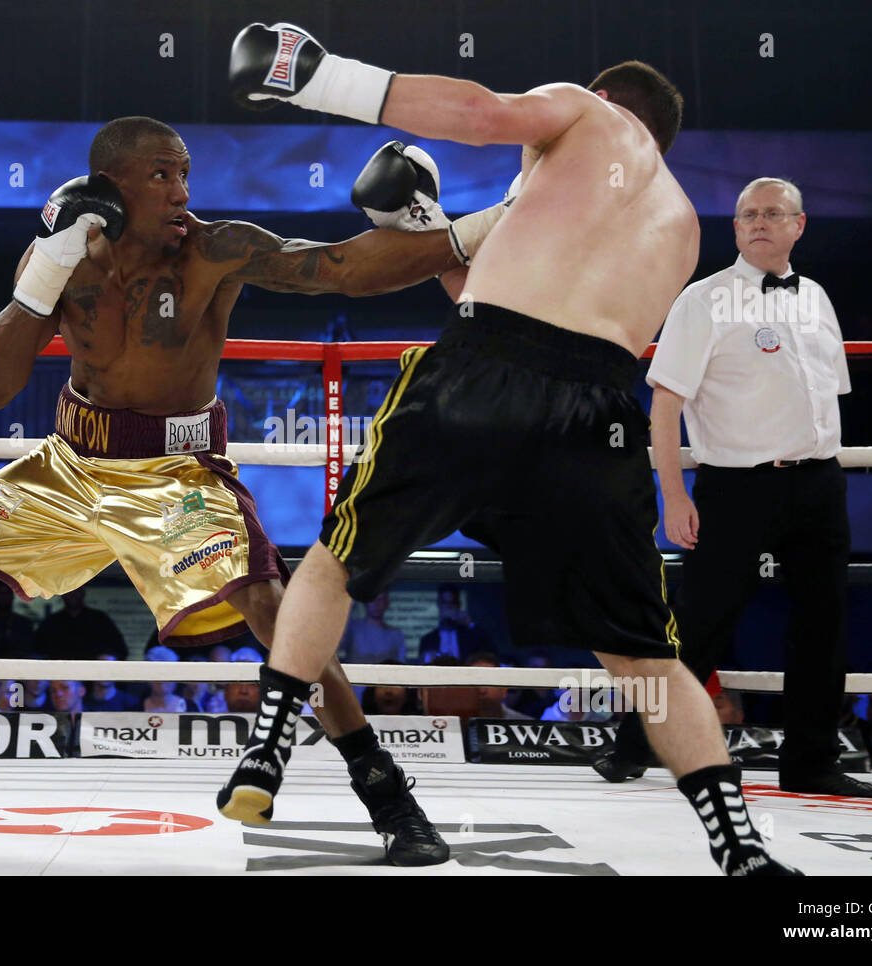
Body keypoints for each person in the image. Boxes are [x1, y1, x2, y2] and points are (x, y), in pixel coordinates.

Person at [0, 114, 510, 864]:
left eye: (185, 174)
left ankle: (387, 793)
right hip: (70, 464)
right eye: (161, 175)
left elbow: (342, 267)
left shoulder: (216, 248)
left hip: (179, 475)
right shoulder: (70, 256)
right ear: (112, 184)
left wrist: (481, 225)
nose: (180, 191)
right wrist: (45, 268)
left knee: (275, 615)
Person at [218, 22, 799, 874]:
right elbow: (520, 288)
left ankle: (266, 748)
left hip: (479, 379)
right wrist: (433, 225)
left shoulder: (583, 114)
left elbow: (480, 115)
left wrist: (316, 76)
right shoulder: (680, 227)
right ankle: (738, 847)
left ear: (601, 103)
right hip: (597, 418)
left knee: (339, 559)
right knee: (643, 657)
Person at [594, 176, 872, 798]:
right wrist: (674, 494)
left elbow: (827, 396)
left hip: (819, 483)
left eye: (772, 213)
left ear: (798, 225)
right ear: (735, 229)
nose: (758, 222)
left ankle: (810, 761)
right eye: (747, 214)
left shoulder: (818, 299)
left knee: (824, 622)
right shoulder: (703, 300)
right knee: (698, 624)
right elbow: (664, 406)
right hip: (735, 485)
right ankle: (633, 743)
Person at [418, 585, 489, 663]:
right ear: (439, 604)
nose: (449, 607)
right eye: (445, 603)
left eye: (453, 603)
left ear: (459, 605)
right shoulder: (428, 640)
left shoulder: (472, 636)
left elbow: (488, 655)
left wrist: (470, 624)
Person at [337, 591, 404, 664]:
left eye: (380, 600)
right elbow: (336, 648)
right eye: (372, 599)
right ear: (366, 602)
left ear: (387, 603)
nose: (376, 604)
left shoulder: (396, 634)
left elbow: (402, 665)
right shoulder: (353, 629)